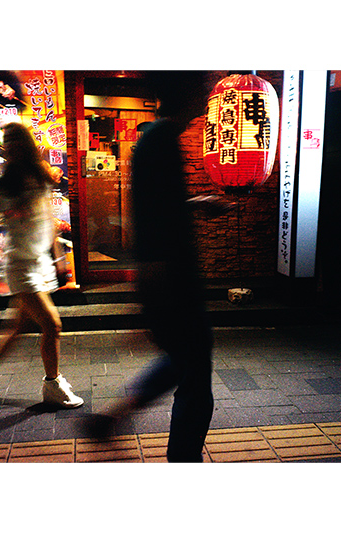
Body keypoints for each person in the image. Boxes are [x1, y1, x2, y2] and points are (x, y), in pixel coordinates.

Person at [87, 71, 227, 462]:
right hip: (174, 281)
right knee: (194, 381)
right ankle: (182, 459)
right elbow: (150, 222)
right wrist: (152, 293)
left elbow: (159, 209)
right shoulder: (160, 141)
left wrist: (195, 204)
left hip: (173, 279)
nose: (207, 92)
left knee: (184, 363)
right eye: (202, 84)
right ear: (184, 89)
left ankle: (113, 418)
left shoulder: (160, 139)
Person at [0, 121, 83, 410]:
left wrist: (59, 258)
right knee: (52, 325)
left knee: (18, 327)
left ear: (26, 147)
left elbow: (48, 220)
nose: (10, 149)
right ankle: (53, 385)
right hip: (19, 264)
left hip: (41, 262)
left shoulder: (40, 178)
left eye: (16, 143)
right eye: (7, 144)